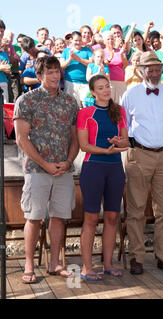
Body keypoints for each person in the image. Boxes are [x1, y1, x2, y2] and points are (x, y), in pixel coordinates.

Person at [14, 55, 79, 284]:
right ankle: (29, 265)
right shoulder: (26, 100)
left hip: (63, 171)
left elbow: (75, 138)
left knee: (59, 217)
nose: (54, 76)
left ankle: (55, 264)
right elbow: (22, 140)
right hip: (36, 170)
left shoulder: (70, 102)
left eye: (56, 71)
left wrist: (69, 161)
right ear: (39, 75)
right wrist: (45, 164)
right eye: (49, 72)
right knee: (33, 218)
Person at [121, 51, 163, 274]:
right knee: (136, 209)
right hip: (139, 154)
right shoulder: (130, 94)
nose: (155, 74)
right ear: (141, 71)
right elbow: (123, 125)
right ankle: (136, 256)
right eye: (150, 70)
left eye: (158, 70)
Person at [77, 75, 128, 281]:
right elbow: (83, 146)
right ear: (93, 93)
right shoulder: (85, 113)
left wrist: (118, 141)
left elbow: (126, 143)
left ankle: (108, 264)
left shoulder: (120, 111)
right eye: (101, 88)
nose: (106, 90)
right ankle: (87, 268)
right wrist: (105, 151)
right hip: (93, 168)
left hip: (115, 168)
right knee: (90, 218)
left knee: (112, 217)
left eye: (107, 86)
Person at [60, 31, 94, 107]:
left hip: (85, 83)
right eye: (76, 40)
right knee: (72, 107)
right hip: (70, 83)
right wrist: (70, 58)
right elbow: (62, 66)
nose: (78, 42)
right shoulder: (66, 51)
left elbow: (91, 63)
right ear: (71, 40)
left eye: (80, 40)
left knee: (87, 106)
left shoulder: (87, 50)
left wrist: (78, 59)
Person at [103, 31, 128, 104]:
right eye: (108, 39)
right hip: (108, 82)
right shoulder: (102, 52)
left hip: (121, 82)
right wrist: (109, 59)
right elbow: (101, 65)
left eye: (111, 39)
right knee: (110, 105)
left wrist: (121, 55)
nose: (110, 41)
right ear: (104, 41)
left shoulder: (120, 51)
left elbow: (126, 65)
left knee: (122, 105)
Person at [0, 20, 10, 103]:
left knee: (4, 108)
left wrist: (5, 68)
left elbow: (7, 70)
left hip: (3, 83)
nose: (0, 33)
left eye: (2, 31)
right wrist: (1, 67)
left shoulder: (4, 54)